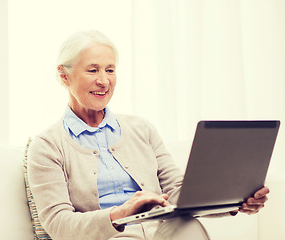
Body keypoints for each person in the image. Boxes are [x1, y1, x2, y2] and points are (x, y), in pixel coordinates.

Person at [27, 30, 270, 240]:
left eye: (110, 70)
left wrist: (235, 200)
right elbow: (59, 225)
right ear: (63, 76)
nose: (104, 81)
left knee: (188, 230)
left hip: (165, 232)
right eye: (93, 70)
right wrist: (121, 213)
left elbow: (177, 191)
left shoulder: (141, 129)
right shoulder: (47, 146)